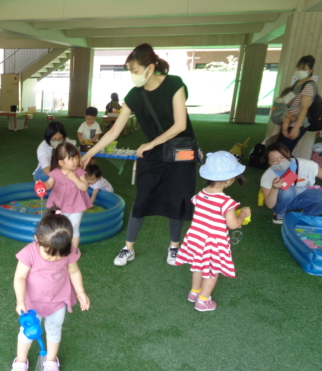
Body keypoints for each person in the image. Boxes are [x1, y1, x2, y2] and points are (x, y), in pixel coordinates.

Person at [81, 43, 196, 267]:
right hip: (153, 154)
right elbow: (114, 131)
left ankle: (174, 246)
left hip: (179, 152)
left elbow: (180, 125)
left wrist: (151, 143)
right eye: (131, 71)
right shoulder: (134, 95)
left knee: (177, 199)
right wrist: (89, 153)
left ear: (150, 68)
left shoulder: (174, 84)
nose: (133, 75)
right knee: (142, 198)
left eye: (135, 70)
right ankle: (128, 248)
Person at [9, 212, 90, 371]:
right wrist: (20, 301)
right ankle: (21, 362)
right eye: (49, 253)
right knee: (27, 332)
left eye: (59, 254)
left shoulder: (68, 252)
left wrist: (80, 292)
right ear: (37, 240)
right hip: (32, 304)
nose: (54, 258)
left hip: (58, 301)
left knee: (54, 329)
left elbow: (74, 272)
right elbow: (20, 277)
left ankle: (51, 360)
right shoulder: (29, 253)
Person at [175, 152, 251, 312]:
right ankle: (202, 301)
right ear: (229, 180)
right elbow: (233, 225)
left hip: (197, 238)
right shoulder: (226, 203)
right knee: (211, 271)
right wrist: (244, 214)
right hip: (212, 243)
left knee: (198, 266)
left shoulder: (201, 194)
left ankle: (194, 292)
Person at [41, 142, 92, 249]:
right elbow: (49, 184)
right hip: (58, 207)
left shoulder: (79, 172)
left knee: (74, 228)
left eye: (76, 157)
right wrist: (42, 185)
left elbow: (84, 187)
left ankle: (74, 249)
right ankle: (58, 247)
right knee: (57, 227)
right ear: (61, 162)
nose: (75, 161)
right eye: (71, 159)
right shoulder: (56, 172)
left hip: (76, 207)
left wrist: (74, 178)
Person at [260, 142, 322, 224]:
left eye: (282, 157)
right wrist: (275, 188)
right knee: (287, 190)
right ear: (269, 162)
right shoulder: (268, 176)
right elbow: (269, 205)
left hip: (302, 195)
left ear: (288, 154)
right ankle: (279, 215)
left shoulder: (307, 165)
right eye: (274, 160)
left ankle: (304, 216)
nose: (280, 162)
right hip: (280, 202)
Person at [277, 55, 316, 153]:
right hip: (289, 121)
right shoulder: (297, 83)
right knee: (279, 150)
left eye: (303, 69)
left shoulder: (309, 86)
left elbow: (304, 108)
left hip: (296, 124)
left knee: (283, 153)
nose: (300, 71)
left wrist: (296, 127)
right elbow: (287, 100)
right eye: (298, 68)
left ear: (311, 70)